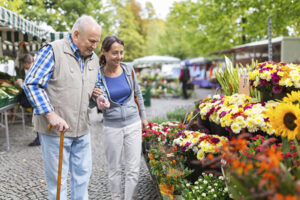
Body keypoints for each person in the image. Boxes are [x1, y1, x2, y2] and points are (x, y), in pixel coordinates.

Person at [24, 15, 102, 200]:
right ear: (76, 34)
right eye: (91, 41)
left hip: (82, 129)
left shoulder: (94, 59)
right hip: (55, 132)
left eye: (97, 42)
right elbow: (32, 84)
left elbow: (94, 88)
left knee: (83, 178)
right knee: (58, 183)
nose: (94, 46)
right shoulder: (52, 51)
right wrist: (51, 115)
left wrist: (98, 98)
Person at [93, 35, 148, 200]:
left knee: (133, 168)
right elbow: (96, 100)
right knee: (114, 168)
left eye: (121, 52)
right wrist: (98, 102)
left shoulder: (128, 69)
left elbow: (137, 93)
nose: (119, 57)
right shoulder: (97, 75)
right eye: (115, 53)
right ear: (104, 52)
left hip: (133, 123)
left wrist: (143, 116)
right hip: (112, 126)